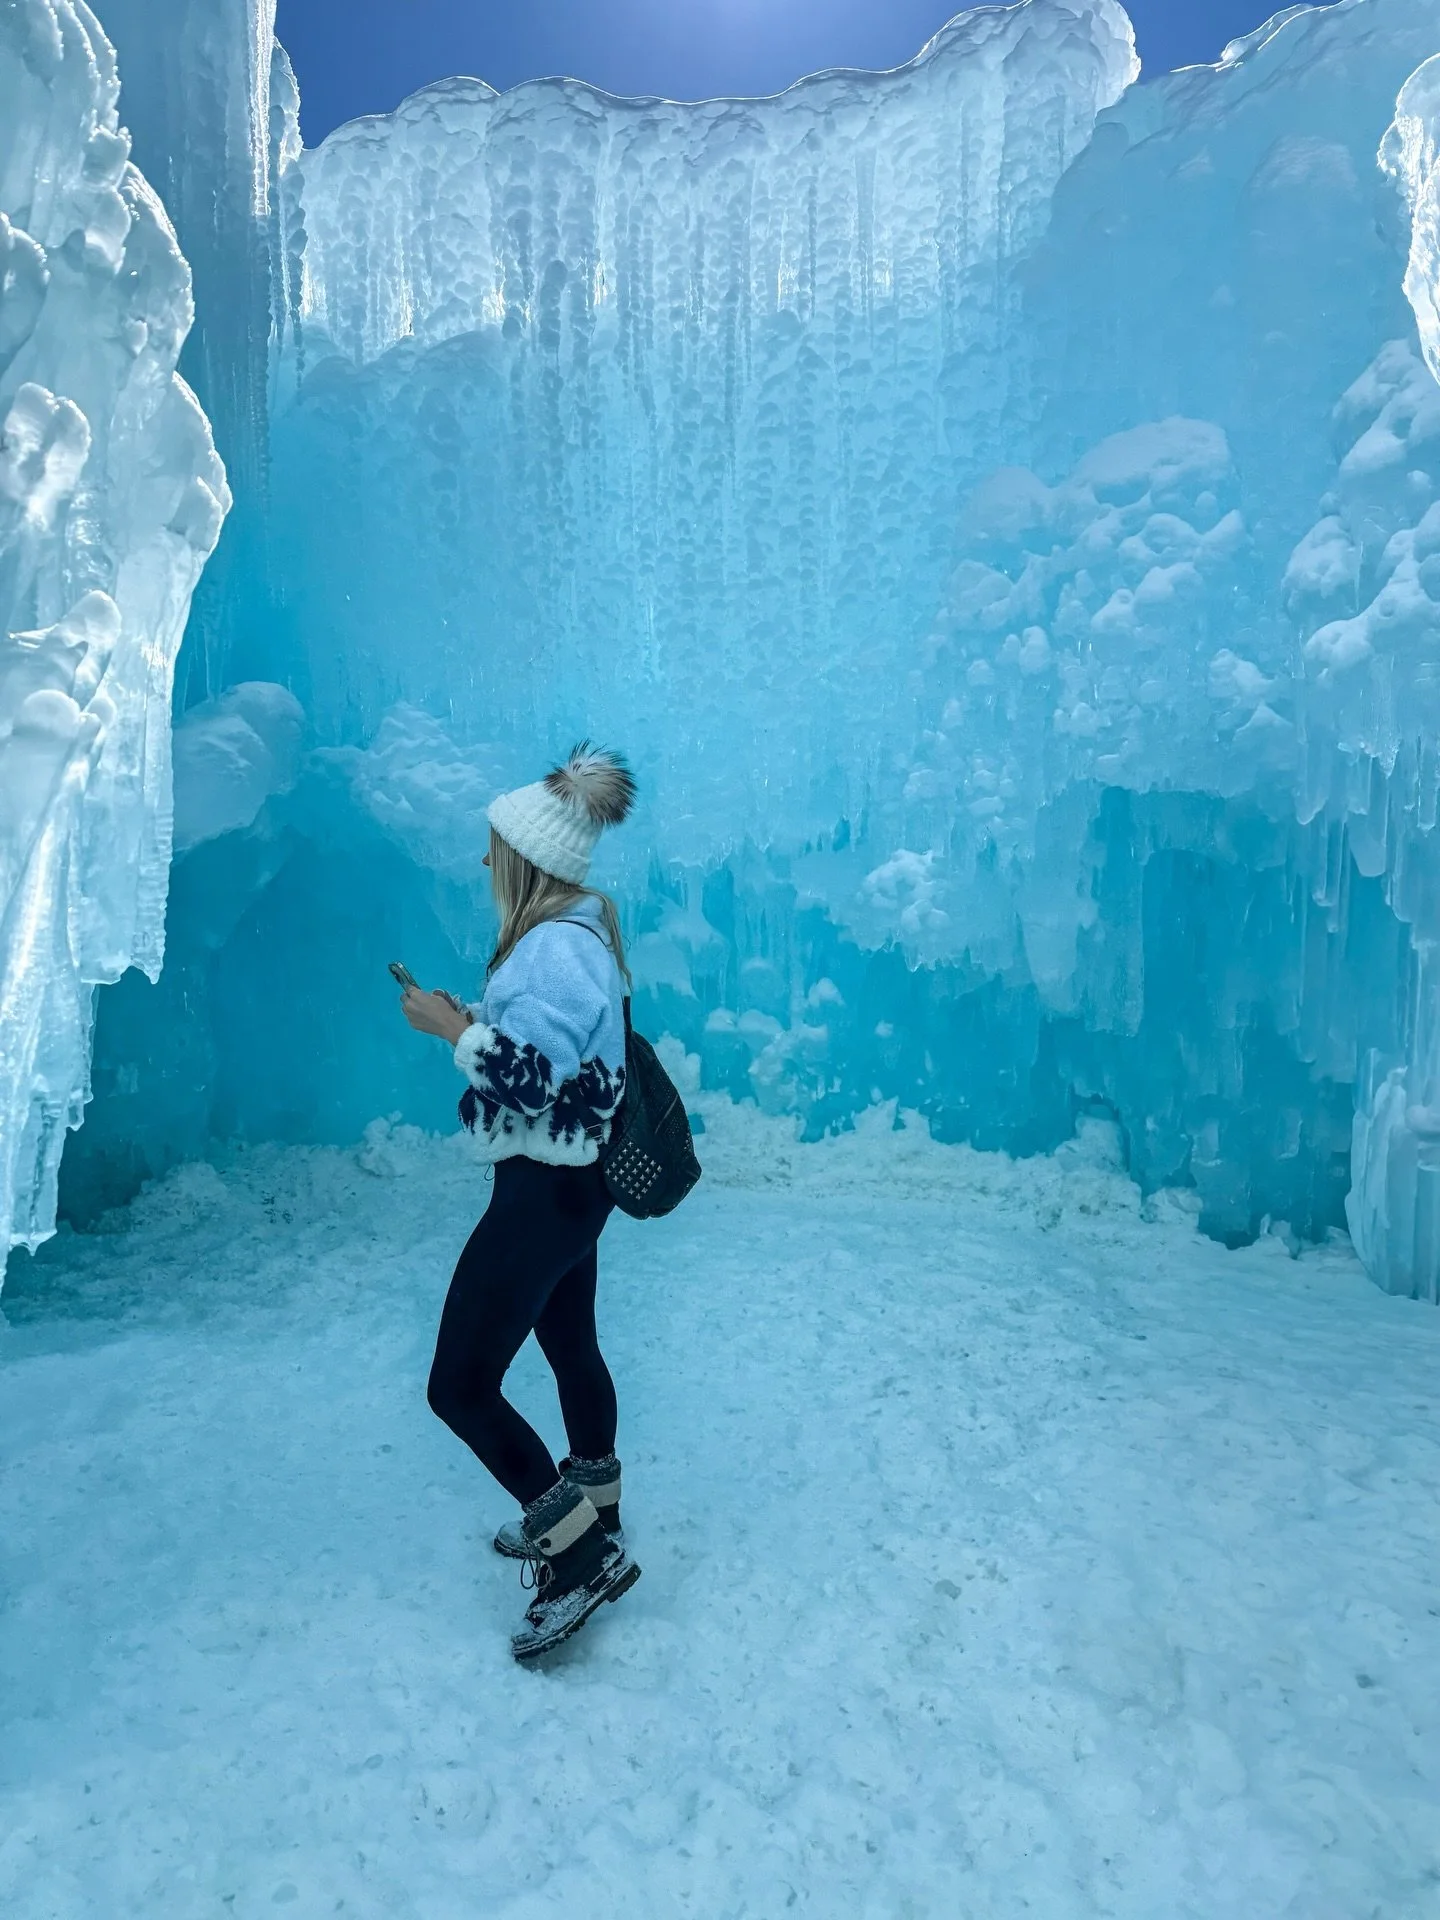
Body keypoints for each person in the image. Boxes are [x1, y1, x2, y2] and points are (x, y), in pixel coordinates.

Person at [400, 743, 641, 1660]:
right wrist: (475, 1028)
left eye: (494, 845)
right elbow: (554, 1059)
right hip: (574, 1190)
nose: (484, 861)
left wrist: (453, 1029)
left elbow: (530, 1081)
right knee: (571, 1344)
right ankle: (597, 1507)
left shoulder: (549, 951)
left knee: (457, 1385)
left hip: (542, 1192)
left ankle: (578, 1558)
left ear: (524, 859)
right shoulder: (581, 936)